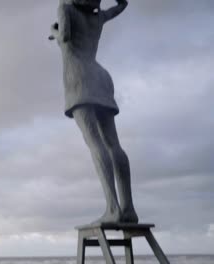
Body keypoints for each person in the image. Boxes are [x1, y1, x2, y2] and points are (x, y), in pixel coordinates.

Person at [51, 0, 138, 224]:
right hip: (100, 76)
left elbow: (66, 38)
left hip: (79, 78)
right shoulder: (97, 16)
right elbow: (121, 6)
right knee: (114, 145)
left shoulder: (65, 8)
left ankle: (112, 208)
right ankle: (128, 209)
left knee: (95, 144)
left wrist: (54, 31)